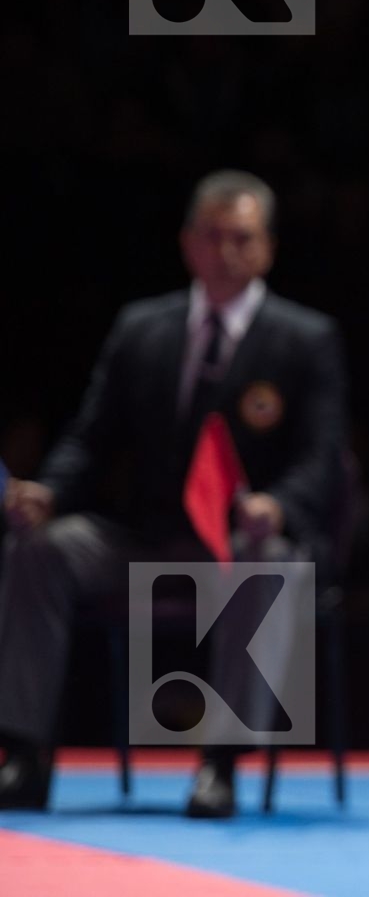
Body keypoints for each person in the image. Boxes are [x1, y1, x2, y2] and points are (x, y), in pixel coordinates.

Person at [0, 170, 348, 818]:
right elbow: (91, 435)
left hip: (241, 542)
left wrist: (275, 503)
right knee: (40, 548)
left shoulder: (306, 339)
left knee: (265, 556)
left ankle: (219, 764)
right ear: (188, 244)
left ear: (267, 247)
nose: (226, 252)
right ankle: (24, 755)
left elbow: (321, 460)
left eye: (242, 238)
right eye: (212, 237)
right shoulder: (142, 329)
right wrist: (48, 491)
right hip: (144, 539)